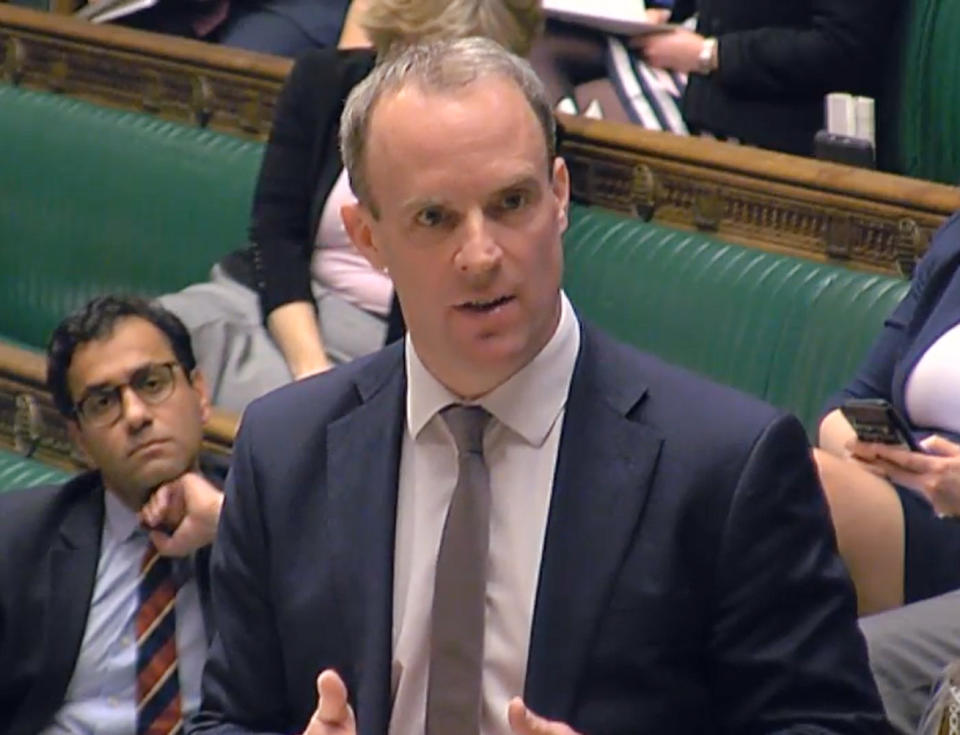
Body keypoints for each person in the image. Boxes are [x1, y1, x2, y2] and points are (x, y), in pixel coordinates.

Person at [190, 38, 887, 735]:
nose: (482, 255)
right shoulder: (284, 450)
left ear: (558, 196)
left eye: (511, 202)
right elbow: (228, 719)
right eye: (434, 218)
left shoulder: (727, 465)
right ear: (367, 237)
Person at [159, 0, 544, 413]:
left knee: (262, 414)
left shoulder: (513, 134)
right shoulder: (323, 81)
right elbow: (275, 235)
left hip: (387, 339)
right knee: (145, 348)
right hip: (279, 306)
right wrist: (309, 365)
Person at [0, 295, 224, 735]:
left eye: (153, 383)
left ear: (199, 394)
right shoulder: (18, 539)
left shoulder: (257, 515)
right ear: (79, 438)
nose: (136, 415)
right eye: (103, 402)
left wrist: (224, 520)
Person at [814, 210, 960, 732]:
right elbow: (848, 402)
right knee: (784, 475)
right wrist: (868, 450)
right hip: (905, 497)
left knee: (852, 661)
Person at [633, 0, 898, 155]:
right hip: (698, 68)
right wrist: (669, 11)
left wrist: (711, 54)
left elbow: (841, 49)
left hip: (769, 123)